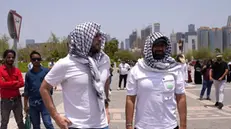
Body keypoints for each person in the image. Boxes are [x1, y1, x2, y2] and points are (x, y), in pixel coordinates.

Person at [40, 22, 110, 129]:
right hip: (77, 126)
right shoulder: (66, 64)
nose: (100, 39)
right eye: (95, 36)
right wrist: (56, 117)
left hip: (102, 125)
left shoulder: (104, 60)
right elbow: (44, 88)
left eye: (100, 35)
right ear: (84, 39)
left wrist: (106, 107)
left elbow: (104, 84)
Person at [125, 32, 187, 129]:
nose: (159, 48)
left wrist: (183, 126)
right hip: (143, 126)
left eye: (162, 45)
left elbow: (181, 97)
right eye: (156, 45)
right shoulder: (137, 69)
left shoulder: (174, 69)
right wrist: (128, 126)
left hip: (169, 126)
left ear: (166, 48)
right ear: (150, 48)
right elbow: (130, 99)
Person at [24, 51, 54, 129]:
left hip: (45, 103)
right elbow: (26, 91)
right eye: (34, 59)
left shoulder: (46, 72)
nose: (36, 61)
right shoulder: (28, 74)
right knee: (36, 125)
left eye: (38, 59)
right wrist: (25, 105)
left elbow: (50, 88)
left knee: (48, 123)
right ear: (31, 60)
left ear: (41, 60)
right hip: (33, 104)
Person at [0, 49, 25, 129]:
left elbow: (22, 83)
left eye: (12, 57)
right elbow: (1, 84)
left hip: (17, 100)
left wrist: (7, 83)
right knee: (4, 122)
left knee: (20, 122)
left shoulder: (17, 70)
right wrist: (15, 82)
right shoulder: (0, 70)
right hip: (5, 101)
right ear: (5, 58)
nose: (11, 59)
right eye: (8, 57)